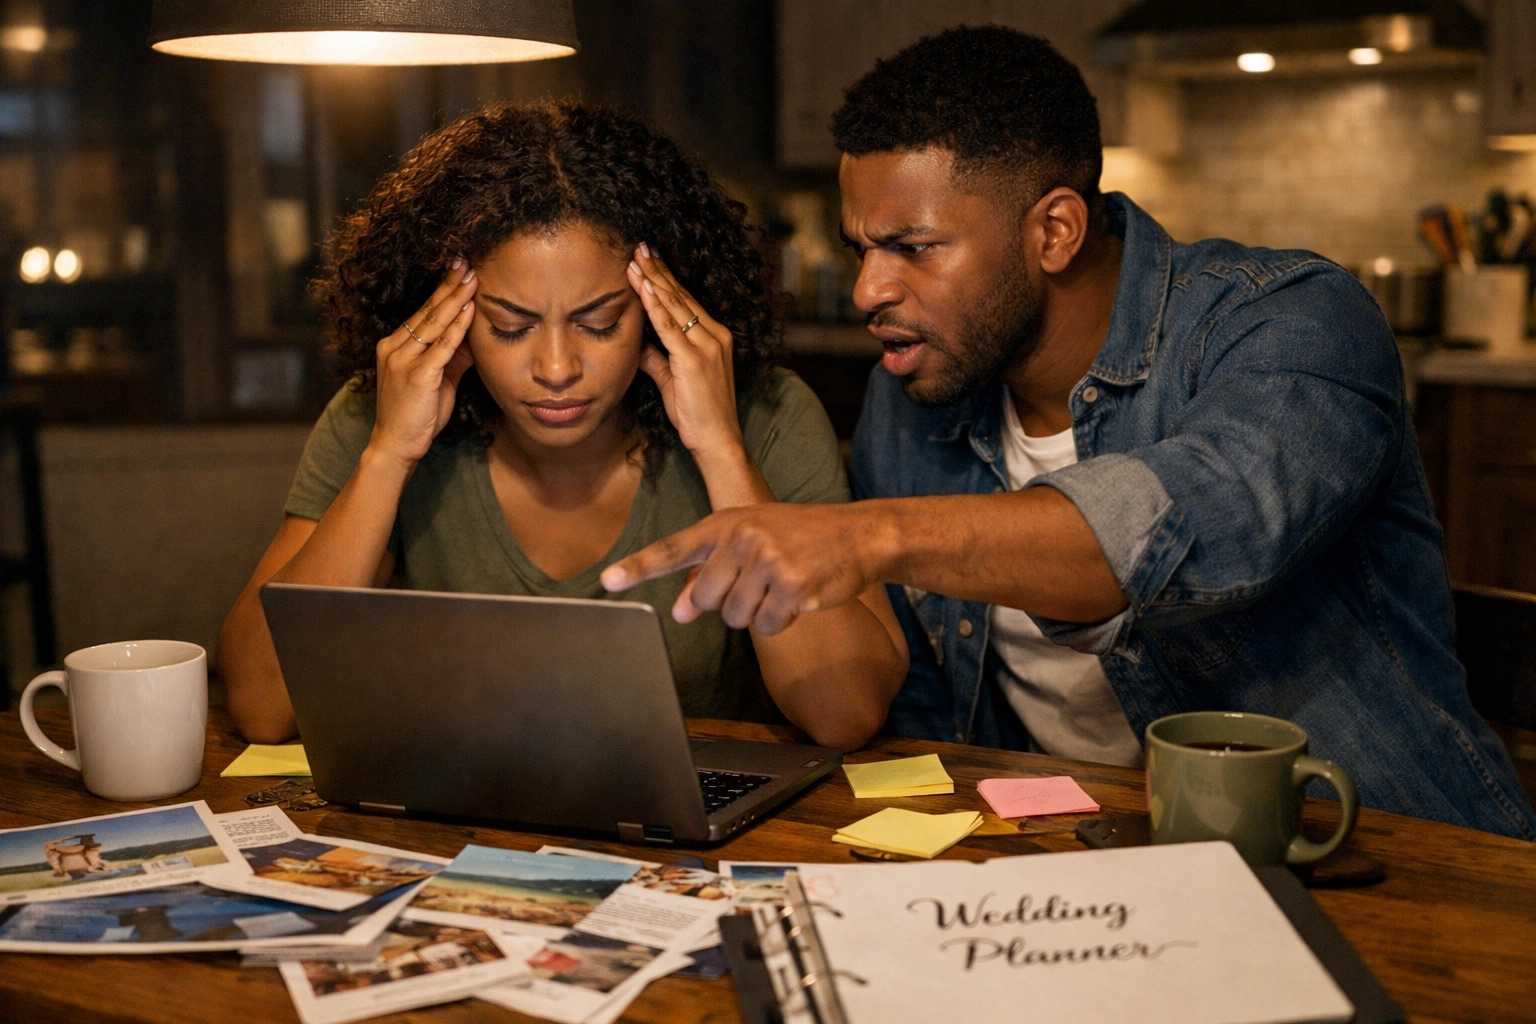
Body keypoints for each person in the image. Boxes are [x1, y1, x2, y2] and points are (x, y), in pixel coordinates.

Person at [601, 26, 1536, 839]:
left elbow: (1177, 535)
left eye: (913, 248)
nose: (867, 293)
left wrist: (869, 533)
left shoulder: (1293, 323)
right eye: (861, 250)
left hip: (1380, 858)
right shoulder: (920, 385)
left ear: (1054, 231)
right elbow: (925, 721)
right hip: (1077, 862)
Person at [218, 102, 907, 750]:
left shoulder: (767, 416)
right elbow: (260, 703)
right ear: (450, 319)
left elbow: (845, 712)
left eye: (599, 323)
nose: (555, 367)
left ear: (659, 307)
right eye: (510, 327)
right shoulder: (382, 416)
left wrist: (721, 448)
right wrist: (389, 455)